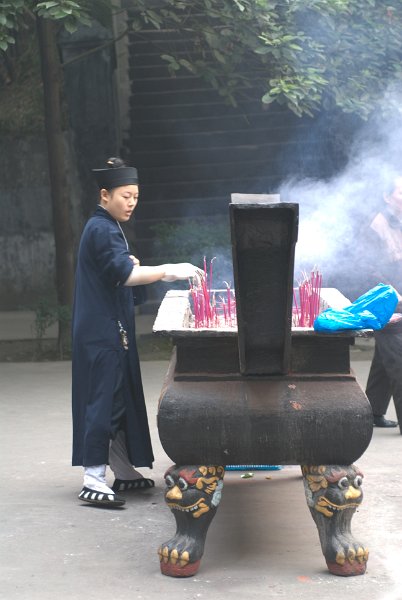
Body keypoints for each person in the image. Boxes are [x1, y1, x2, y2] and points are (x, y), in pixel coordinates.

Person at [72, 157, 200, 507]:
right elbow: (124, 276)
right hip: (102, 330)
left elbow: (119, 269)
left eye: (136, 197)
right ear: (104, 194)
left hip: (109, 327)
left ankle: (121, 468)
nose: (131, 202)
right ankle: (93, 476)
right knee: (105, 401)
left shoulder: (107, 226)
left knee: (118, 397)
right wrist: (168, 270)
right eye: (125, 195)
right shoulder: (101, 228)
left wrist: (136, 266)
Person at [361, 174, 402, 432]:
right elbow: (367, 269)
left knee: (384, 355)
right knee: (398, 355)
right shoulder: (376, 225)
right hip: (386, 298)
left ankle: (373, 410)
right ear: (388, 198)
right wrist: (392, 295)